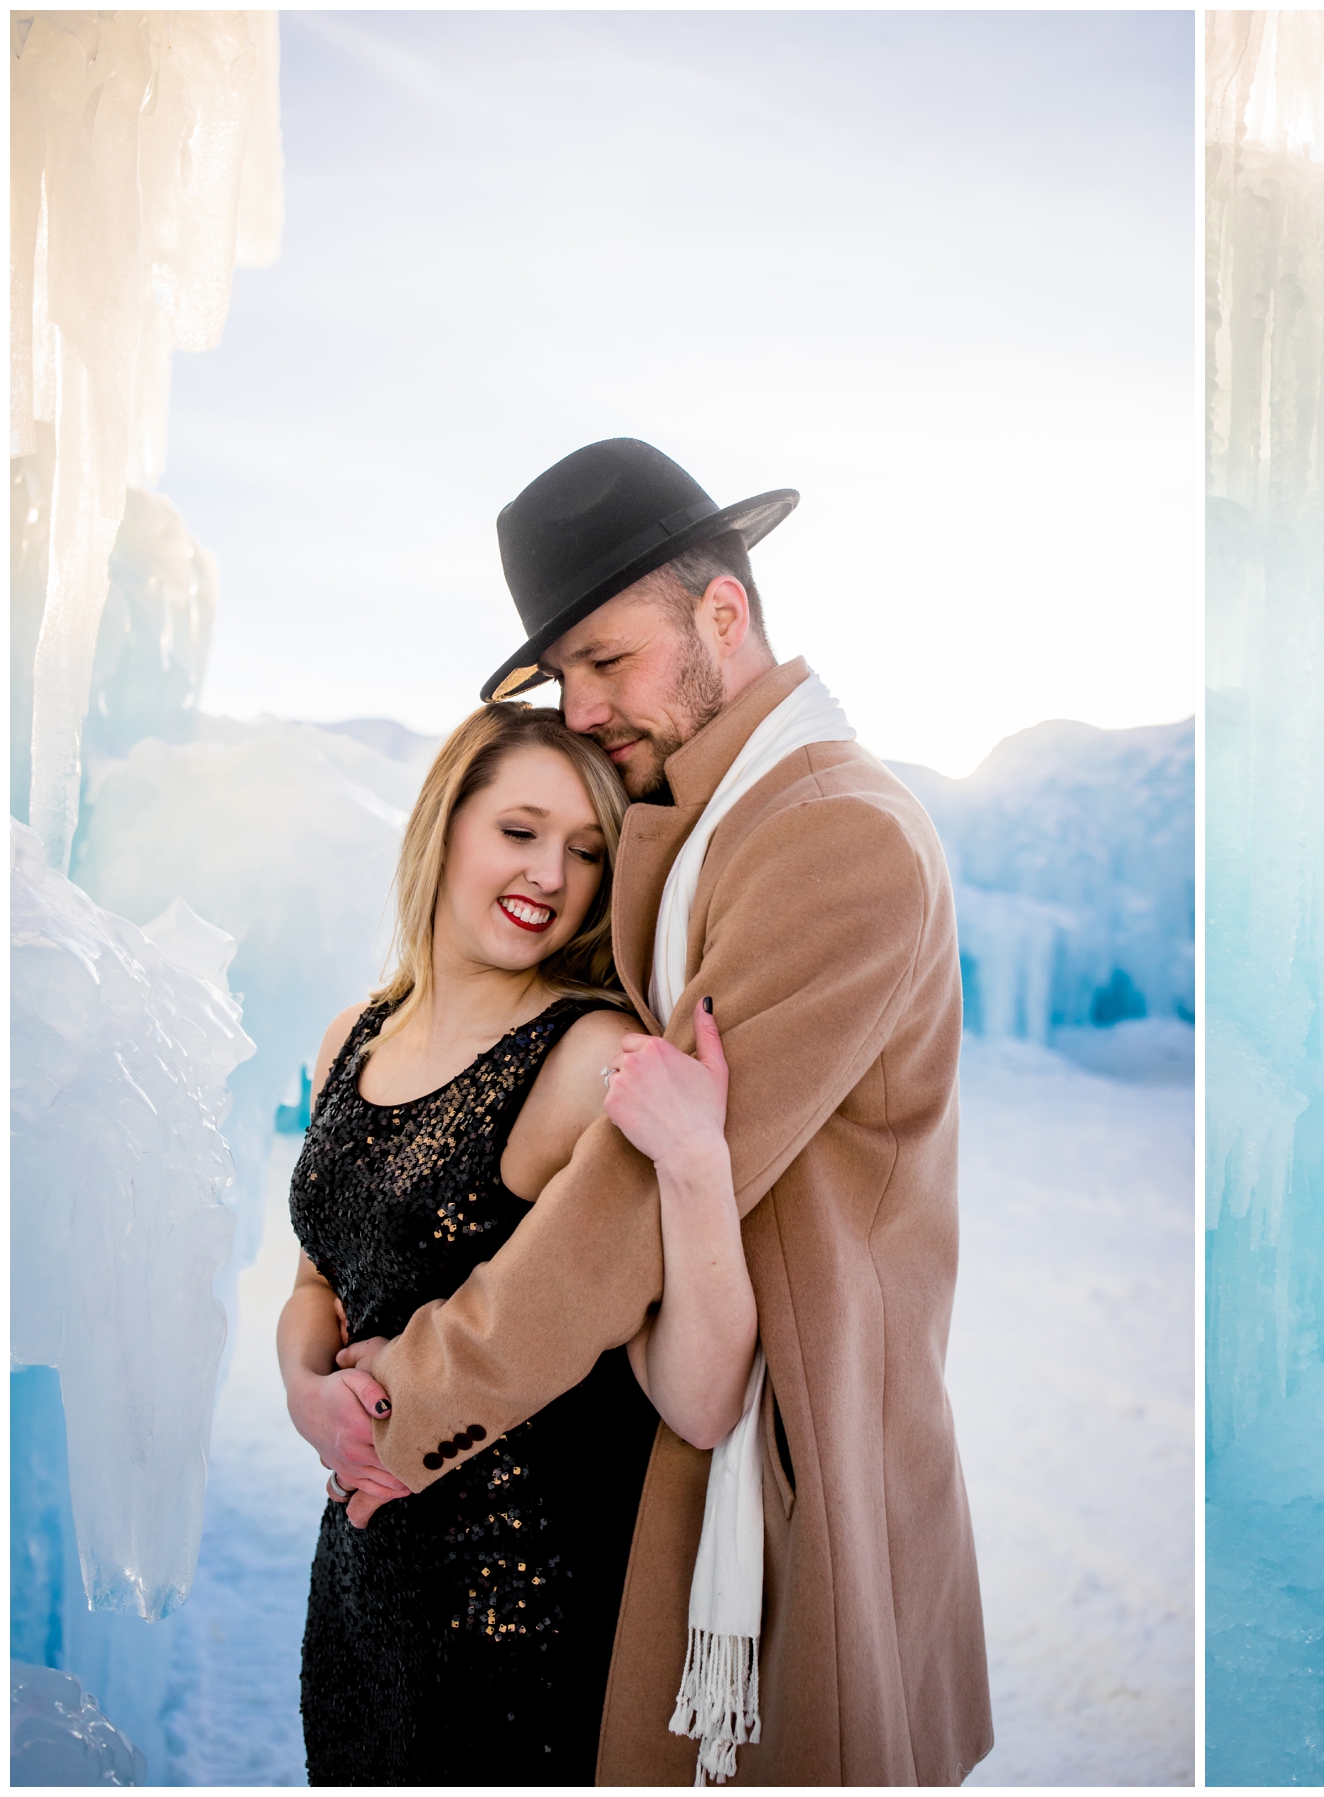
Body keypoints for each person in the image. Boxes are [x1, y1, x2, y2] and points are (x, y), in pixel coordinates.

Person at [328, 438, 993, 1784]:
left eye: (605, 661)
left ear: (724, 613)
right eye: (561, 674)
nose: (578, 708)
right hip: (684, 1426)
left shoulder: (831, 836)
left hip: (785, 1463)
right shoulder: (716, 818)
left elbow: (635, 1188)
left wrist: (416, 1398)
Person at [279, 703, 758, 1782]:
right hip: (361, 1584)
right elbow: (320, 1279)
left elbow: (700, 1395)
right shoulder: (352, 1032)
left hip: (517, 1608)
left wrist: (694, 1165)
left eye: (588, 851)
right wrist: (306, 1394)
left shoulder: (591, 1057)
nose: (552, 872)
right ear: (446, 825)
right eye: (520, 830)